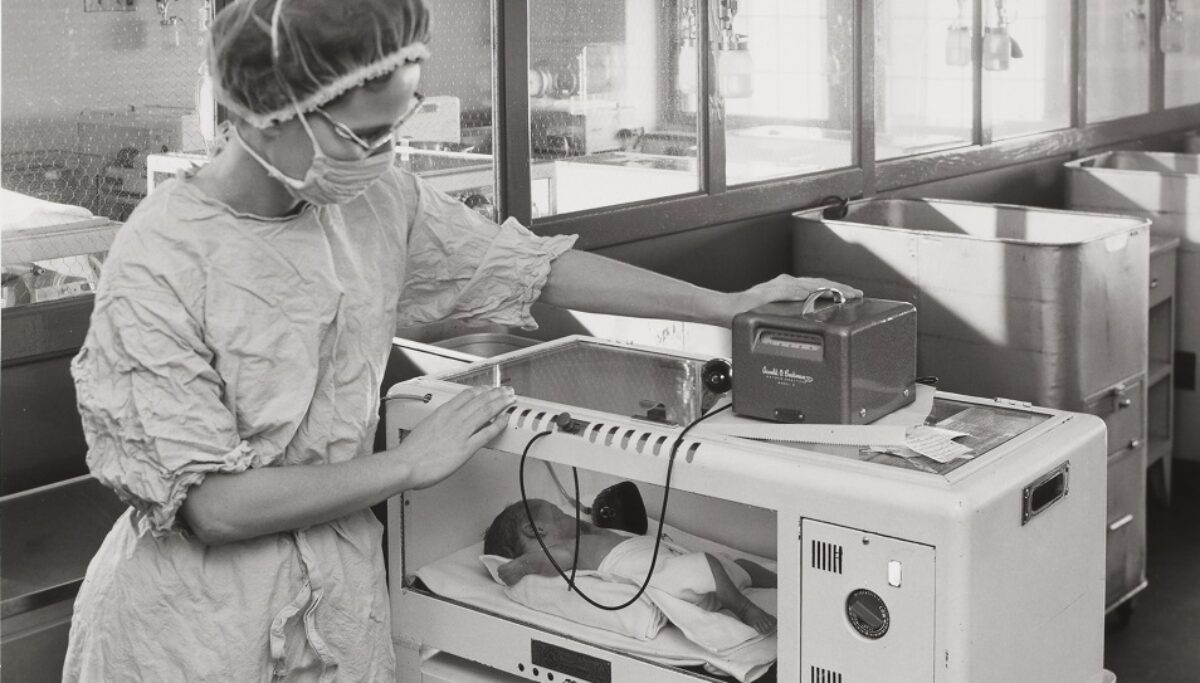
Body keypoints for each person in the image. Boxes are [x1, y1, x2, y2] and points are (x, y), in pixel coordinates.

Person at [62, 0, 860, 680]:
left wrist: (727, 302)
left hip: (334, 608)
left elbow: (534, 271)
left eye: (396, 125)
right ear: (266, 118)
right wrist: (407, 462)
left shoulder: (373, 203)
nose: (385, 154)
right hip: (191, 633)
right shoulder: (160, 258)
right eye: (362, 135)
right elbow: (212, 506)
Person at [485, 499, 778, 634]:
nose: (569, 518)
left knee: (733, 564)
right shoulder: (564, 550)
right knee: (708, 564)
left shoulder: (584, 536)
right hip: (665, 575)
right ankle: (745, 608)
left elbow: (592, 527)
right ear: (536, 530)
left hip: (668, 559)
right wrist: (523, 565)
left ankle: (780, 581)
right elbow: (554, 561)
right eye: (560, 514)